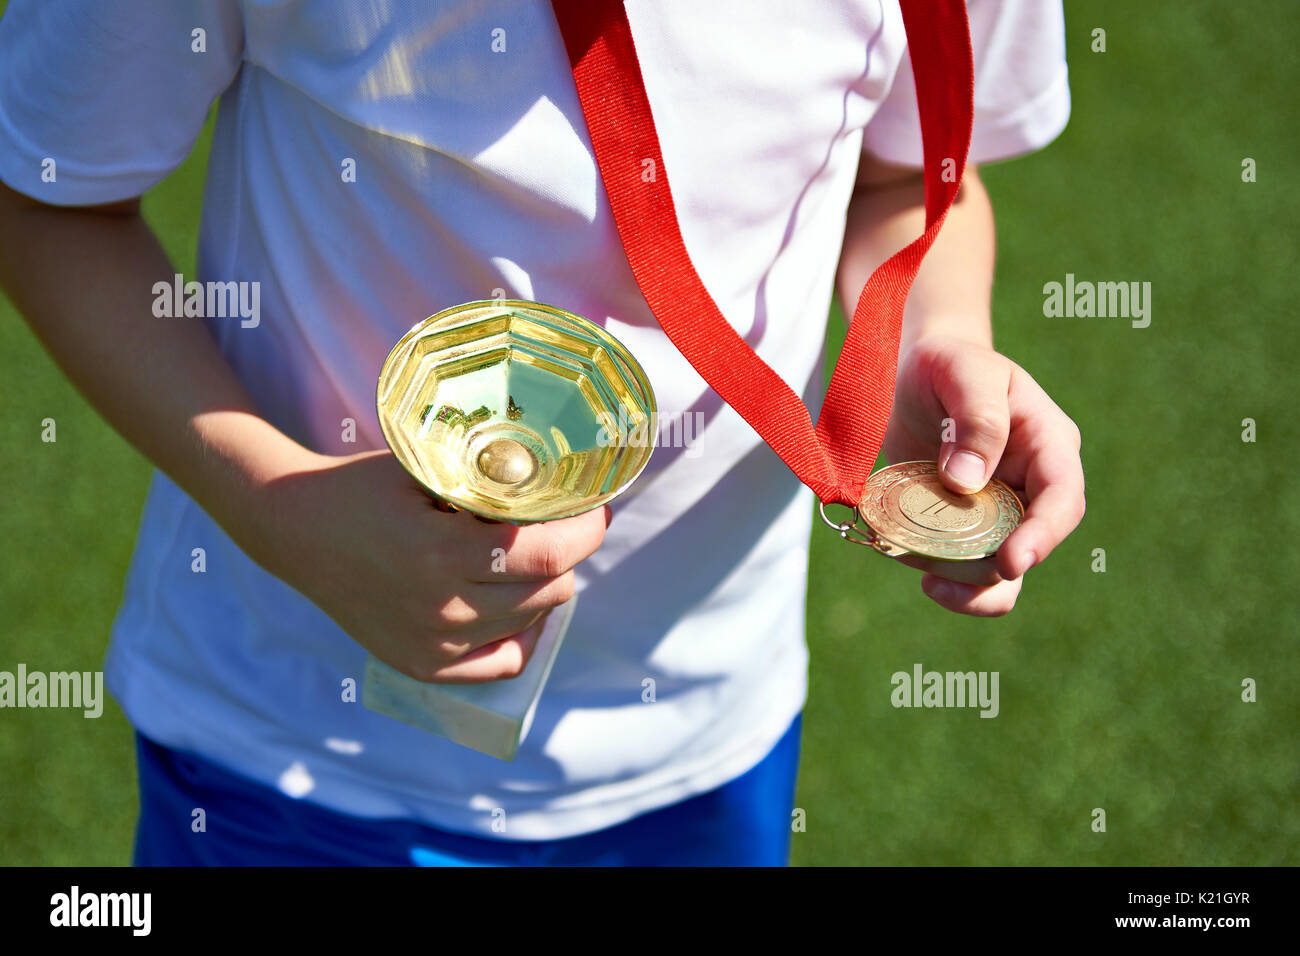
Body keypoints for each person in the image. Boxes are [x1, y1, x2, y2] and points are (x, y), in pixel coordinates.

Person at [0, 0, 1084, 866]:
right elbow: (43, 199)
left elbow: (904, 175)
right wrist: (274, 502)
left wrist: (928, 334)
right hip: (294, 754)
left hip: (707, 742)